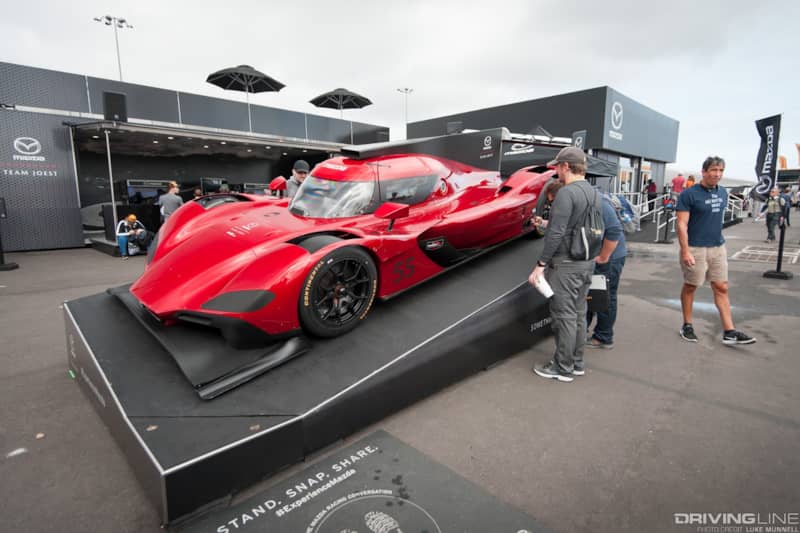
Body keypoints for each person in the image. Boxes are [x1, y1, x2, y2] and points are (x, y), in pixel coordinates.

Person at [529, 146, 603, 382]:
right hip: (586, 262)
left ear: (566, 166)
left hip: (566, 265)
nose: (556, 171)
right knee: (579, 314)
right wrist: (546, 223)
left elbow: (557, 233)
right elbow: (575, 226)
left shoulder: (566, 193)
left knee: (564, 316)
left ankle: (562, 367)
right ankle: (576, 362)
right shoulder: (593, 192)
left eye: (558, 167)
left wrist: (541, 264)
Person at [676, 156, 755, 345]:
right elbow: (681, 224)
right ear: (704, 172)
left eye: (720, 171)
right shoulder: (689, 194)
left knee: (721, 287)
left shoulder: (722, 193)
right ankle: (687, 325)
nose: (717, 174)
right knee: (691, 286)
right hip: (695, 248)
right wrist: (685, 251)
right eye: (713, 170)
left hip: (718, 247)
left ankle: (729, 331)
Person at [586, 192, 626, 349]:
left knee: (604, 296)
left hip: (610, 257)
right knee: (592, 293)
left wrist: (604, 256)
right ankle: (584, 330)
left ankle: (603, 337)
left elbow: (614, 230)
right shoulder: (589, 200)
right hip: (602, 255)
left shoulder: (599, 203)